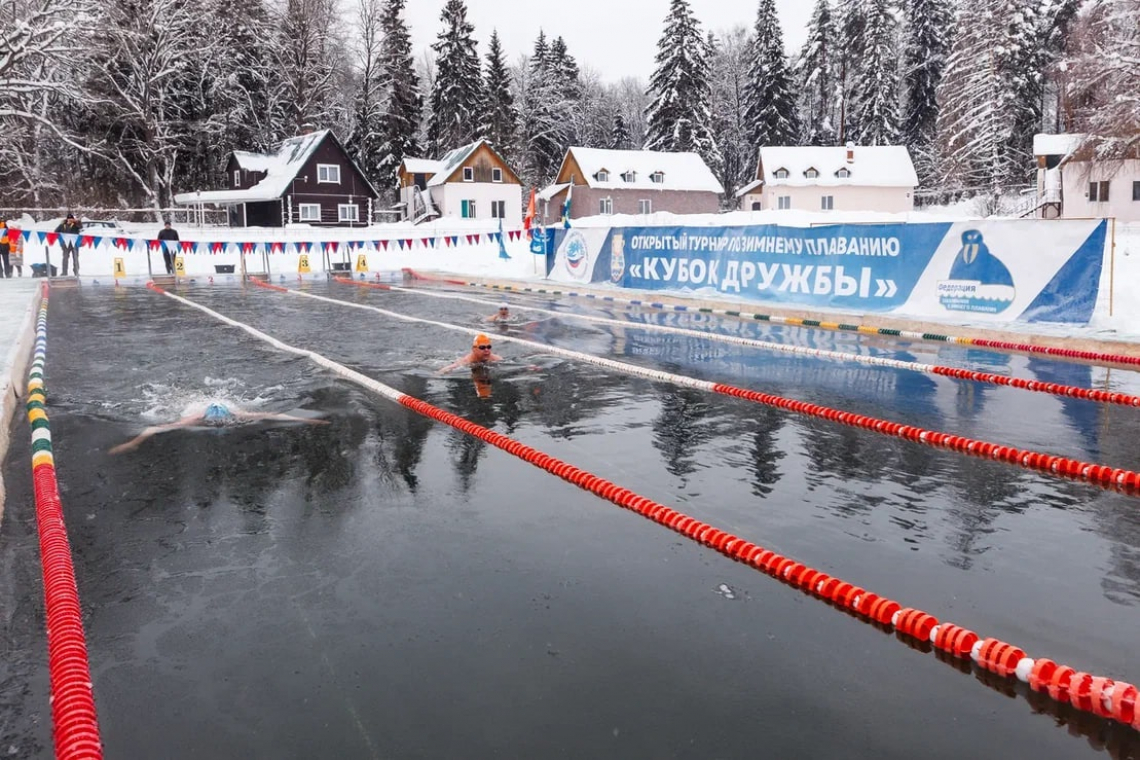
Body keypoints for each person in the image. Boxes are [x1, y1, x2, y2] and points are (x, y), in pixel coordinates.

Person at [109, 402, 329, 454]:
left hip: (225, 406)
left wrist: (310, 420)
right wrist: (132, 443)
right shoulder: (194, 418)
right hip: (199, 407)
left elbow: (274, 414)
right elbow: (155, 429)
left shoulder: (237, 414)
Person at [438, 333, 503, 374]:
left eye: (489, 347)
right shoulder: (467, 361)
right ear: (474, 349)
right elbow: (447, 368)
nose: (486, 350)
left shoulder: (495, 358)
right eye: (482, 347)